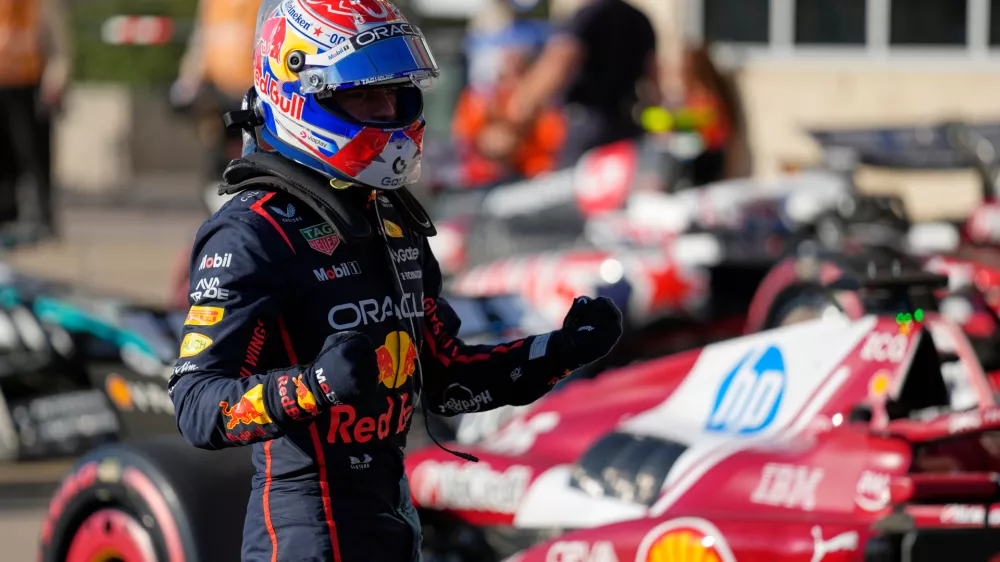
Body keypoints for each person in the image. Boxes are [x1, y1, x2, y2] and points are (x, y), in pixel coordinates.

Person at [167, 1, 624, 561]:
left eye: (395, 91)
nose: (387, 108)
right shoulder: (250, 234)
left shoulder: (393, 221)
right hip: (305, 532)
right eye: (364, 94)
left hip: (395, 523)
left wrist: (560, 351)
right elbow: (196, 406)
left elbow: (447, 378)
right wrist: (314, 385)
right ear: (299, 96)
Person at [506, 0, 659, 168]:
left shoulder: (588, 16)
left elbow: (560, 62)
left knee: (574, 186)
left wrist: (523, 103)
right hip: (625, 124)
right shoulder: (640, 19)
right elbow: (653, 78)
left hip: (585, 124)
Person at [451, 18, 565, 187]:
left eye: (521, 56)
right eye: (508, 54)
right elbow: (465, 136)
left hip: (535, 180)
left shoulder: (546, 100)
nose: (512, 61)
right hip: (484, 183)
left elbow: (553, 140)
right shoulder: (481, 97)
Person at [0, 0, 73, 242]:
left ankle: (43, 219)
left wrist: (56, 79)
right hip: (3, 83)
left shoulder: (42, 4)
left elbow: (59, 45)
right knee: (5, 158)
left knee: (34, 155)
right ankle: (7, 215)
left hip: (31, 84)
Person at [171, 0, 260, 184]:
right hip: (220, 87)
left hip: (256, 91)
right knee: (211, 128)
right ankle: (217, 179)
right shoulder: (213, 3)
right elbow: (201, 42)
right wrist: (187, 82)